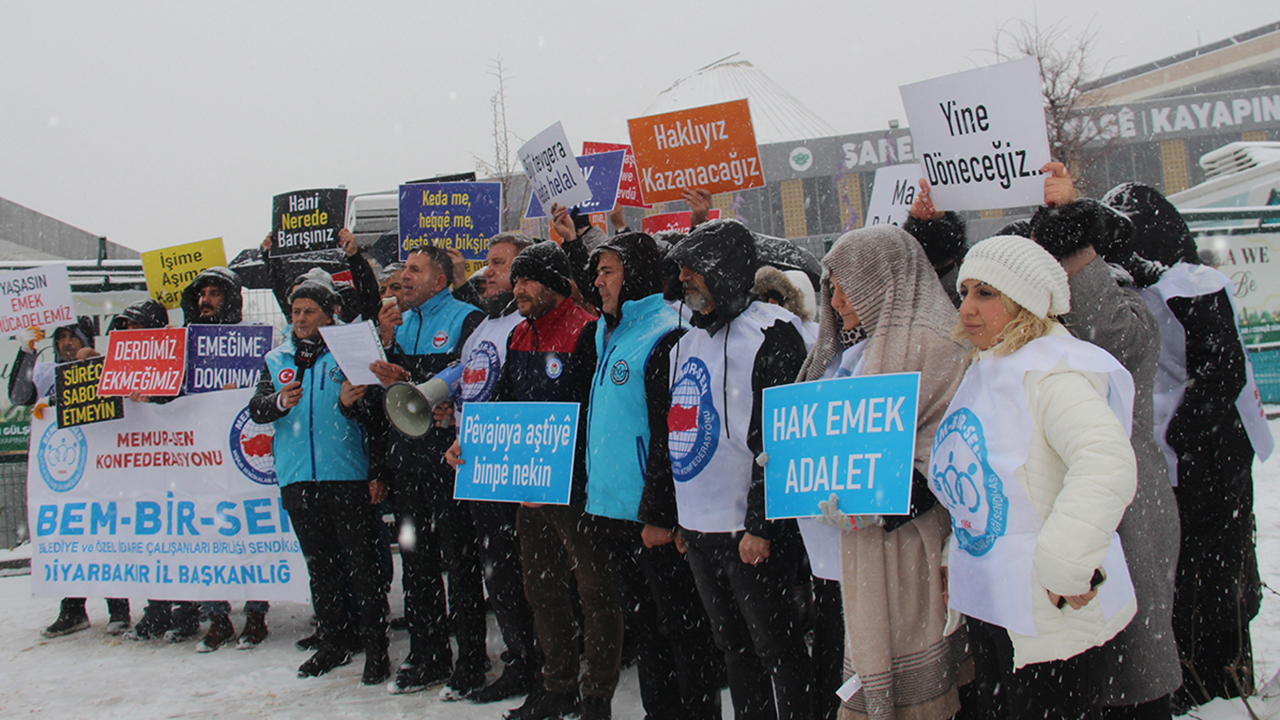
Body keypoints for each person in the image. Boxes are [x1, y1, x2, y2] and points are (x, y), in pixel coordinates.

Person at [928, 234, 1139, 719]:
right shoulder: (990, 367)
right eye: (965, 292)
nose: (967, 307)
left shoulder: (1054, 372)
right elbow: (980, 476)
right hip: (998, 604)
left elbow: (1106, 461)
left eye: (986, 293)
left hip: (1051, 610)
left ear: (1024, 303)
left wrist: (1065, 565)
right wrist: (957, 555)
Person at [1100, 183, 1273, 710]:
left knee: (1213, 584)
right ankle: (1195, 681)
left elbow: (1221, 371)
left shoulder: (1196, 286)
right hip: (1173, 465)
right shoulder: (1135, 288)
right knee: (1180, 582)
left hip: (1209, 464)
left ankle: (1219, 686)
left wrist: (1180, 435)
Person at [799, 225, 971, 720]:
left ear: (880, 282)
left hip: (910, 549)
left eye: (845, 286)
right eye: (830, 288)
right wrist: (794, 460)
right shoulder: (856, 350)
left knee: (912, 682)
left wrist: (890, 499)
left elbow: (951, 453)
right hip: (852, 551)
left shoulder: (935, 345)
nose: (835, 301)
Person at [1028, 178, 1182, 717]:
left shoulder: (1124, 316)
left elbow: (1101, 329)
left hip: (1123, 516)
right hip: (1064, 522)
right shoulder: (1036, 328)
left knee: (1129, 675)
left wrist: (1067, 230)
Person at [450, 240, 619, 720]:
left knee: (595, 592)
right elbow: (505, 405)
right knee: (542, 591)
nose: (517, 287)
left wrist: (566, 470)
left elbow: (596, 414)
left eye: (527, 280)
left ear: (554, 284)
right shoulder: (520, 334)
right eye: (517, 278)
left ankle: (597, 694)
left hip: (578, 491)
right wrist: (472, 442)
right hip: (531, 489)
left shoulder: (587, 331)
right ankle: (557, 686)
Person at [666, 219, 812, 720]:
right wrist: (680, 518)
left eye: (693, 269)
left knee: (779, 650)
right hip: (699, 530)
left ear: (723, 271)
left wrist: (760, 523)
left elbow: (781, 438)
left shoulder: (774, 333)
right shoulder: (684, 342)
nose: (683, 279)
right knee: (733, 649)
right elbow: (677, 432)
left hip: (749, 533)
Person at [583, 232, 722, 720]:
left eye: (608, 271)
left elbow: (671, 433)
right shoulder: (610, 331)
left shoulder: (666, 333)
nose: (598, 282)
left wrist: (661, 512)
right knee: (646, 626)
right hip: (616, 508)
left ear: (636, 275)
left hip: (653, 513)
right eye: (596, 272)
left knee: (681, 627)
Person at [247, 279, 391, 682]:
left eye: (309, 311)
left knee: (361, 567)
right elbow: (256, 408)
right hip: (298, 478)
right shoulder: (277, 358)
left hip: (345, 475)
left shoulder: (351, 353)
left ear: (330, 315)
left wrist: (349, 406)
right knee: (322, 569)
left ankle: (375, 648)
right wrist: (278, 402)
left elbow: (378, 417)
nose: (300, 319)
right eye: (295, 312)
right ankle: (333, 641)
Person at [368, 245, 487, 695]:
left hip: (448, 462)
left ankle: (471, 658)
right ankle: (428, 654)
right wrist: (384, 343)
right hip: (406, 462)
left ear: (440, 281)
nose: (405, 277)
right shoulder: (399, 323)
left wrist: (413, 377)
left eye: (415, 270)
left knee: (460, 563)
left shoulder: (466, 319)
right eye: (404, 270)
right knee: (416, 564)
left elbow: (472, 375)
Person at [445, 233, 543, 704]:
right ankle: (519, 658)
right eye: (488, 263)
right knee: (499, 576)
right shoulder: (483, 327)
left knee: (528, 576)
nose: (487, 272)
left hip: (515, 472)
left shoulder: (526, 326)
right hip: (478, 469)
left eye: (500, 264)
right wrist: (453, 423)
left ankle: (540, 664)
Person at [10, 317, 130, 638]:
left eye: (72, 336)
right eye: (61, 337)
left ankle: (118, 609)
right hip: (65, 475)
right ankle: (72, 609)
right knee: (70, 541)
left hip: (103, 471)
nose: (67, 342)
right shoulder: (47, 373)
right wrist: (26, 353)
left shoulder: (101, 366)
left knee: (106, 537)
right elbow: (20, 395)